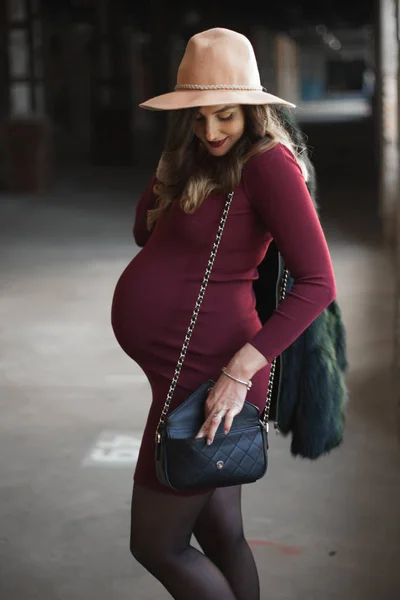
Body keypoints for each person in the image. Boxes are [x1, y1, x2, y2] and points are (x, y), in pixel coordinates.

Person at [111, 28, 336, 600]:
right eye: (198, 116)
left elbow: (318, 282)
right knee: (221, 532)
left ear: (253, 112)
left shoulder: (267, 165)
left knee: (156, 545)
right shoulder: (197, 158)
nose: (211, 131)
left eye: (227, 116)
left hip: (210, 377)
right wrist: (168, 165)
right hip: (181, 369)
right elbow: (145, 234)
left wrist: (238, 373)